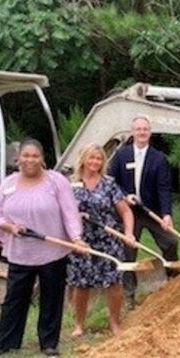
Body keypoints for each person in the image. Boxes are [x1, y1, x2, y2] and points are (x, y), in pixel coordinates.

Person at [0, 139, 85, 358]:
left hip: (52, 252)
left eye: (35, 156)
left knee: (51, 297)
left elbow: (70, 213)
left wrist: (76, 238)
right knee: (14, 298)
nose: (30, 160)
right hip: (21, 253)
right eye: (26, 156)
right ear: (18, 158)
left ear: (42, 159)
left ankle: (49, 343)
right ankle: (6, 342)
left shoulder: (56, 182)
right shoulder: (8, 184)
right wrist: (11, 227)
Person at [108, 115, 179, 307]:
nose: (141, 132)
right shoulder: (121, 155)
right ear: (132, 132)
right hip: (128, 212)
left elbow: (164, 188)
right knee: (127, 252)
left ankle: (174, 280)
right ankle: (129, 295)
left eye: (145, 129)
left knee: (171, 241)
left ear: (150, 132)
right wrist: (124, 196)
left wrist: (166, 214)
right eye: (138, 129)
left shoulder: (159, 158)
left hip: (151, 211)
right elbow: (111, 182)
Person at [69, 143, 136, 336]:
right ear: (83, 159)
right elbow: (63, 212)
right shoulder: (71, 184)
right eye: (91, 158)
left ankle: (115, 323)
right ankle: (79, 325)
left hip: (108, 240)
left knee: (114, 283)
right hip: (82, 241)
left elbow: (126, 211)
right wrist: (75, 217)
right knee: (81, 284)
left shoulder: (109, 184)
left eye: (98, 159)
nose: (95, 162)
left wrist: (129, 233)